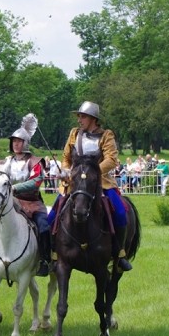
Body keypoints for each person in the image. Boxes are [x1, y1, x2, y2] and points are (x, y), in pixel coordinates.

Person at [47, 101, 132, 271]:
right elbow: (66, 158)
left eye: (83, 116)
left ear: (93, 118)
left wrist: (92, 174)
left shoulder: (106, 135)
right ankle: (52, 254)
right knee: (51, 218)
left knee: (121, 213)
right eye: (79, 116)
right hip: (73, 184)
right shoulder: (74, 134)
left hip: (101, 183)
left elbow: (111, 159)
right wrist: (65, 170)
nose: (79, 119)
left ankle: (119, 253)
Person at [0, 114, 51, 276]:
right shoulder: (6, 161)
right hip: (9, 203)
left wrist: (14, 189)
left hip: (32, 204)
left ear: (26, 143)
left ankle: (44, 261)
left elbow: (36, 182)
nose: (16, 144)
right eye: (14, 141)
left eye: (19, 141)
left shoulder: (35, 162)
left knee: (43, 227)